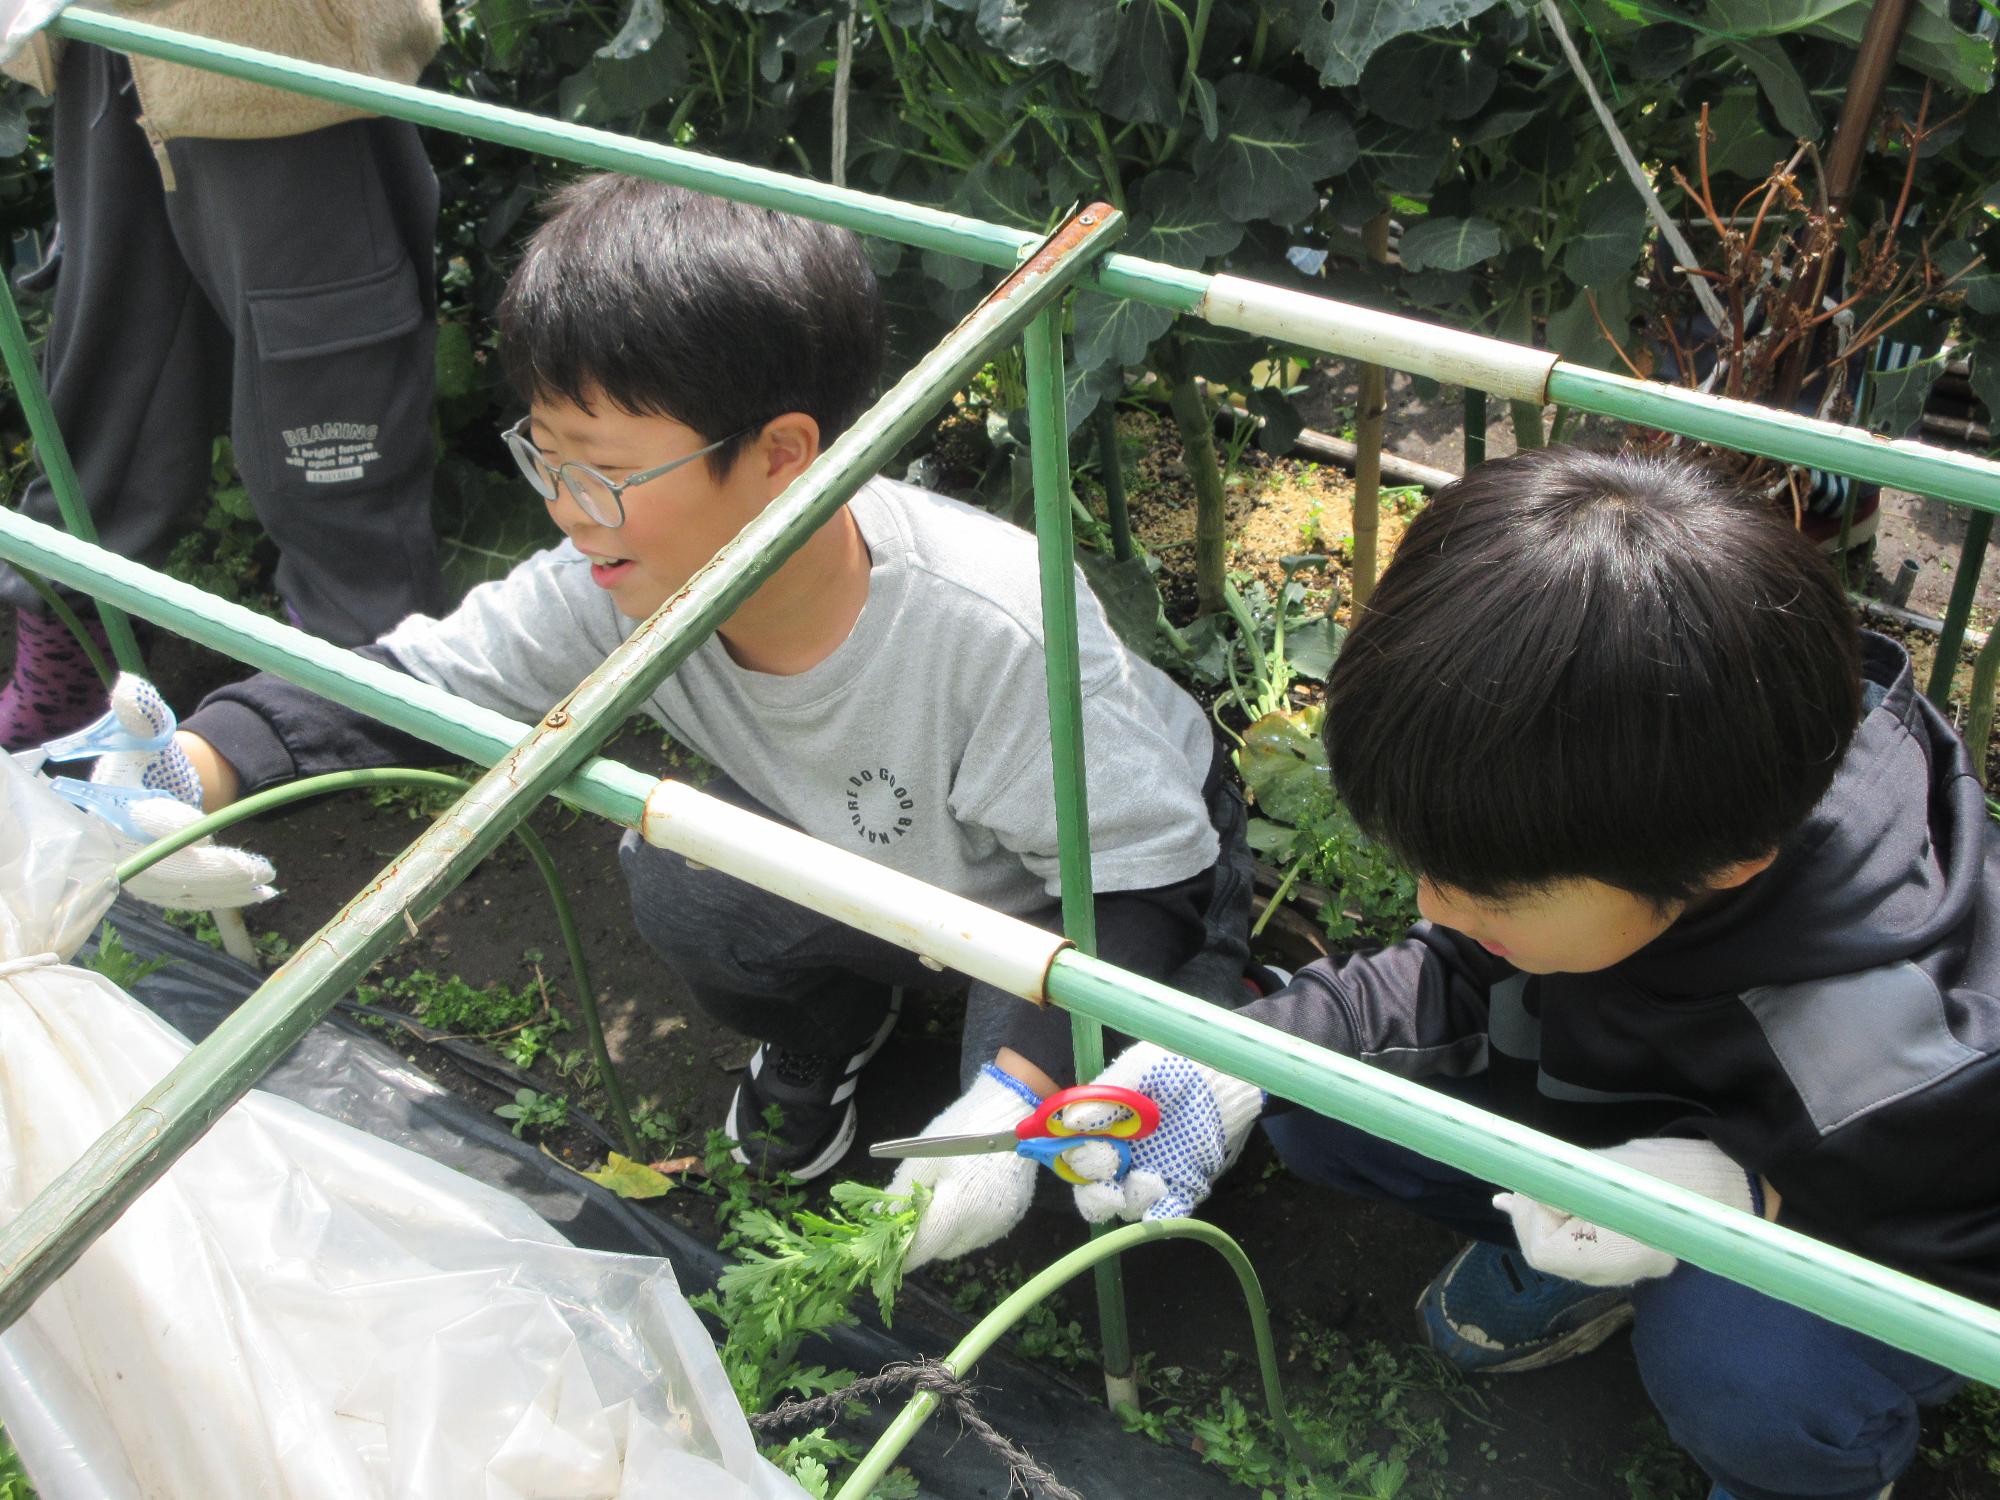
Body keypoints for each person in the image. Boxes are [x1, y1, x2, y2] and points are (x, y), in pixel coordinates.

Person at [83, 176, 1255, 1256]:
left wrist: (1012, 1090)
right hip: (888, 860)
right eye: (544, 463)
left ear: (780, 457)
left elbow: (1132, 887)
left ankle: (1197, 1018)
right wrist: (194, 766)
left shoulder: (987, 629)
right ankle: (837, 1021)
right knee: (684, 875)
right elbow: (417, 685)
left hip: (1089, 880)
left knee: (1071, 1170)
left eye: (597, 472)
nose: (566, 514)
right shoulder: (622, 572)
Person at [942, 447, 1998, 1500]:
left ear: (1722, 867)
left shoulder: (1904, 1064)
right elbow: (1445, 971)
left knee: (1744, 1363)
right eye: (1430, 869)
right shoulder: (1663, 788)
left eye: (1487, 893)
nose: (1429, 909)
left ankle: (1797, 1471)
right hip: (1644, 1069)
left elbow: (1962, 1256)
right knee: (1319, 1099)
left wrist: (1745, 1202)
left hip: (1860, 1212)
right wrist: (1228, 1067)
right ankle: (1583, 1259)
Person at [0, 2, 448, 750]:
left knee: (323, 380)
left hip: (277, 49)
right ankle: (70, 663)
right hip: (105, 36)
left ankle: (365, 684)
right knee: (111, 359)